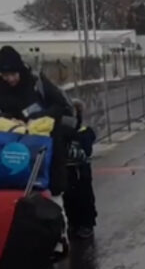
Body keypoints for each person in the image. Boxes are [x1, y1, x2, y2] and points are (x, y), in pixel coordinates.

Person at [0, 46, 75, 196]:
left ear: (20, 70)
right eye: (5, 75)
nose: (10, 79)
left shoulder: (36, 82)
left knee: (50, 191)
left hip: (44, 145)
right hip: (12, 147)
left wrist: (40, 116)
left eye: (13, 74)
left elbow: (61, 106)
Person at [64, 99, 97, 239]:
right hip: (67, 171)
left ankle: (87, 224)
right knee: (69, 198)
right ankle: (73, 223)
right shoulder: (62, 132)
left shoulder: (84, 132)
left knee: (84, 197)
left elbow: (86, 151)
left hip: (81, 171)